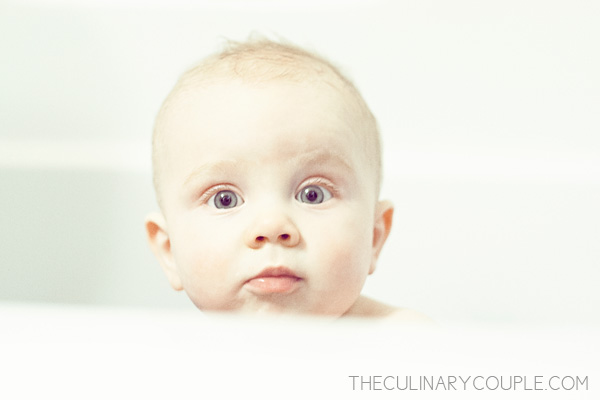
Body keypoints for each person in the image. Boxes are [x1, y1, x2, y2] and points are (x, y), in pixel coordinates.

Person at [145, 37, 428, 321]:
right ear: (169, 251)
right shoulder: (165, 354)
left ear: (374, 237)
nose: (271, 226)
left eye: (313, 194)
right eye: (225, 200)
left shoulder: (400, 342)